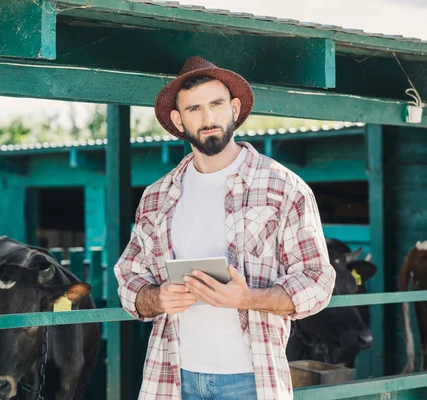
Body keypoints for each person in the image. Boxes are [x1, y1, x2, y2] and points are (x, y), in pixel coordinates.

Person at [113, 56, 336, 400]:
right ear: (177, 119)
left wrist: (248, 298)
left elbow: (318, 280)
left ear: (233, 108)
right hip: (172, 377)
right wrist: (157, 298)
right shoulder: (156, 196)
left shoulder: (283, 187)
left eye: (216, 104)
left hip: (250, 380)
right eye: (194, 109)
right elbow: (128, 277)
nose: (208, 118)